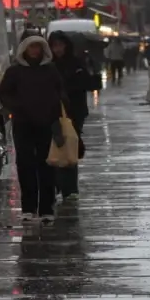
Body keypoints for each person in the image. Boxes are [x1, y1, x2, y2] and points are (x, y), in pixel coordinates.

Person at [0, 35, 67, 222]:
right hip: (23, 124)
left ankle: (46, 208)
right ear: (24, 49)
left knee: (47, 166)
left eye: (38, 47)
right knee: (25, 165)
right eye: (31, 47)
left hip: (47, 124)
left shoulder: (50, 70)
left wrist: (56, 109)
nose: (35, 51)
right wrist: (18, 107)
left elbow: (60, 91)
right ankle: (28, 207)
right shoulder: (15, 72)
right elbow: (4, 94)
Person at [48, 30, 97, 203]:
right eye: (54, 46)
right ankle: (56, 184)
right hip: (52, 112)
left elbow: (89, 83)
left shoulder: (76, 63)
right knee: (55, 147)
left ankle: (70, 188)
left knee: (70, 147)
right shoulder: (48, 65)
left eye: (60, 45)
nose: (58, 49)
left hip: (74, 112)